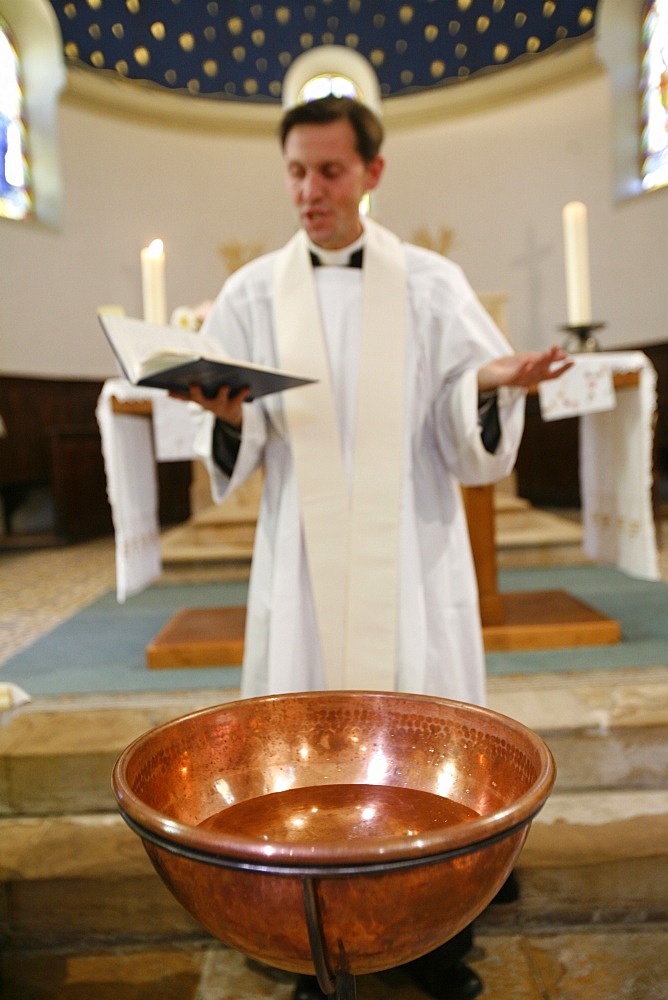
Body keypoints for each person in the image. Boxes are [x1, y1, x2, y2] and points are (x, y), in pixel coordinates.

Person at [187, 96, 571, 1000]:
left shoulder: (432, 283)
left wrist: (486, 382)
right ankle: (302, 928)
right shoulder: (249, 294)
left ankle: (438, 933)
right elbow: (236, 443)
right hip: (304, 561)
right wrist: (227, 418)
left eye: (328, 171)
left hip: (412, 553)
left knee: (427, 738)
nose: (308, 191)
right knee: (301, 750)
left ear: (372, 173)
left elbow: (458, 425)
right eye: (295, 172)